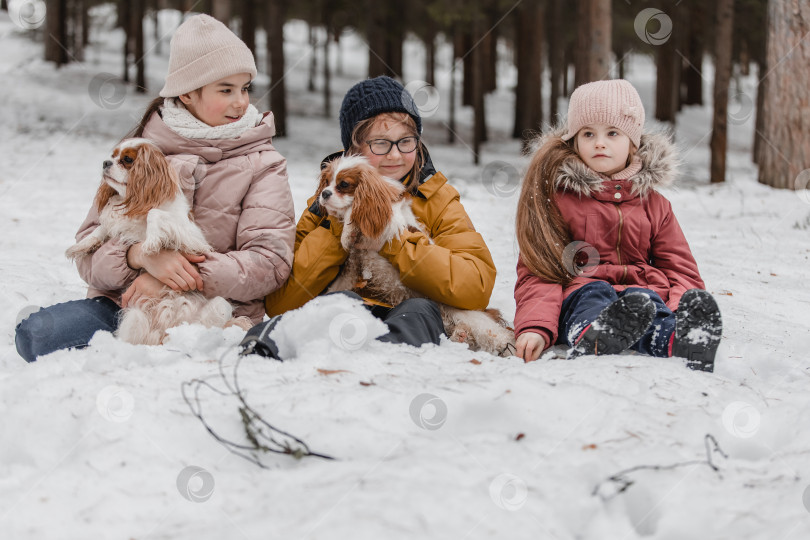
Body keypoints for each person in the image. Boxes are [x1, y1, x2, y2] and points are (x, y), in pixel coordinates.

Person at [15, 14, 295, 362]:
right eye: (226, 90)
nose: (241, 102)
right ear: (188, 93)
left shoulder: (263, 163)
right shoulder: (138, 152)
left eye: (245, 88)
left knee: (199, 354)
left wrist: (171, 277)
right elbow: (88, 256)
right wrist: (139, 256)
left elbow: (270, 264)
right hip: (122, 306)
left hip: (214, 314)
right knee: (36, 335)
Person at [240, 76, 496, 359]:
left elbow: (476, 286)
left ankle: (388, 361)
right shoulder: (325, 204)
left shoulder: (437, 197)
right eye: (380, 144)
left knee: (419, 312)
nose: (395, 155)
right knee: (337, 304)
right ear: (354, 148)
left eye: (406, 142)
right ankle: (264, 350)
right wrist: (339, 230)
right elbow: (281, 302)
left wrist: (392, 242)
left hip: (410, 307)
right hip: (346, 309)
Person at [513, 79, 722, 372]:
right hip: (581, 293)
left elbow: (679, 267)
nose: (600, 142)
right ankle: (593, 334)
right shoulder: (559, 200)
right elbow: (539, 270)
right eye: (588, 133)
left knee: (647, 300)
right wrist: (536, 326)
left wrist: (681, 307)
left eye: (612, 132)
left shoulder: (654, 204)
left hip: (640, 294)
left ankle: (677, 339)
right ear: (574, 141)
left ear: (632, 143)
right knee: (594, 293)